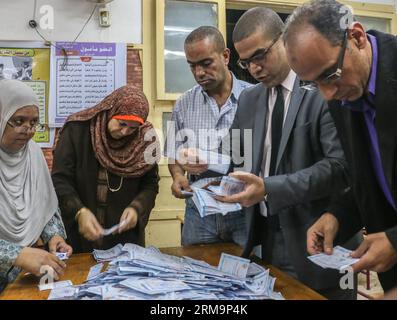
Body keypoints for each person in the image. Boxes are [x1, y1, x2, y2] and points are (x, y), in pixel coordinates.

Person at [218, 7, 358, 299]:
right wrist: (205, 166)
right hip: (264, 239)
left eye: (260, 55)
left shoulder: (323, 85)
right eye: (246, 62)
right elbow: (235, 156)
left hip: (318, 240)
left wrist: (269, 188)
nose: (254, 68)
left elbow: (339, 167)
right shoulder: (249, 98)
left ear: (283, 39)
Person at [283, 0, 397, 292]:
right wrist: (337, 216)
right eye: (313, 83)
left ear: (356, 37)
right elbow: (369, 177)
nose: (328, 94)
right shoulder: (343, 92)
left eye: (330, 76)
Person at [164, 26, 252, 247]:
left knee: (249, 275)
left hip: (244, 210)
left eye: (205, 63)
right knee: (196, 274)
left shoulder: (254, 98)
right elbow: (173, 154)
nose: (199, 73)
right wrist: (177, 177)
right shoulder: (184, 104)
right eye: (192, 66)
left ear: (225, 56)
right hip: (199, 212)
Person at [52, 86, 160, 253]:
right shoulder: (77, 129)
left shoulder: (146, 139)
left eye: (132, 128)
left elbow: (151, 183)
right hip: (79, 237)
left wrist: (137, 208)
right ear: (111, 111)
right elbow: (60, 179)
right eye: (121, 123)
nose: (125, 132)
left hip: (124, 239)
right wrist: (79, 211)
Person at [0, 80, 72, 291]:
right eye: (19, 120)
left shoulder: (32, 154)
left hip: (19, 281)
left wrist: (54, 236)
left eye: (34, 122)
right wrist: (16, 254)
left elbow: (44, 202)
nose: (27, 130)